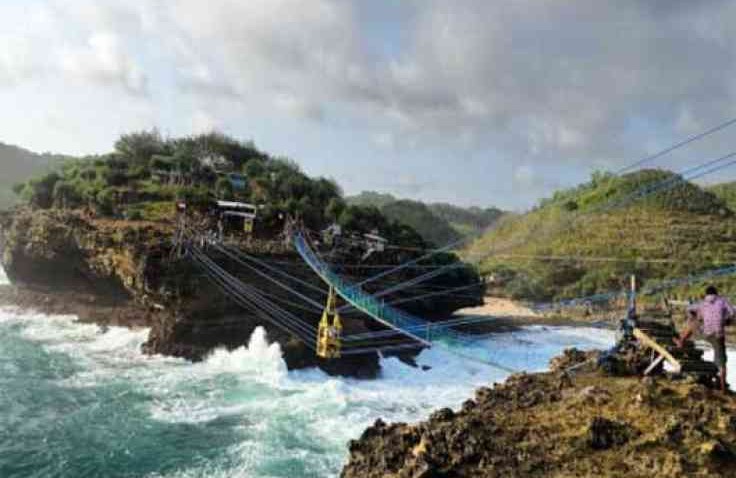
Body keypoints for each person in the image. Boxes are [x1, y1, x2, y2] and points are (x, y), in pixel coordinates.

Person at [675, 285, 733, 392]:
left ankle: (681, 341)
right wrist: (726, 320)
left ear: (706, 294)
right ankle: (723, 387)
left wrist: (696, 316)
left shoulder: (702, 303)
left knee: (693, 324)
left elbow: (689, 309)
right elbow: (732, 312)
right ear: (716, 293)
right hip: (718, 335)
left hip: (706, 333)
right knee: (721, 361)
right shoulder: (723, 301)